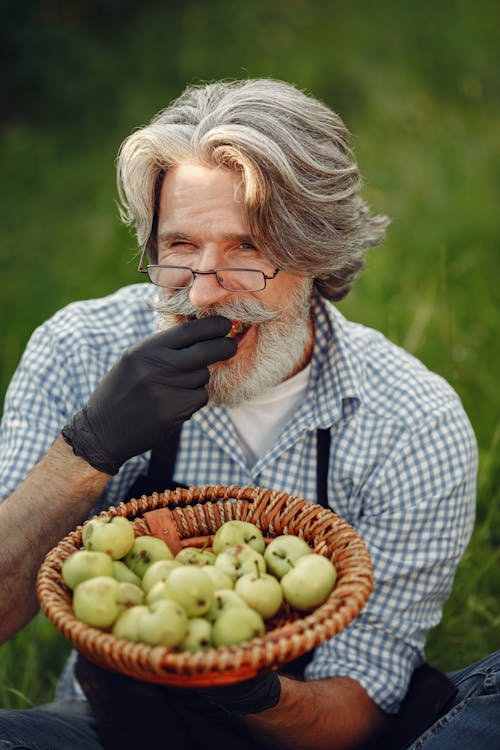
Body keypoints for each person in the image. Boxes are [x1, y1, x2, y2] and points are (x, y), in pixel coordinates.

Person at [0, 78, 497, 750]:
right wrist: (86, 450)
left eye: (248, 248)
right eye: (179, 246)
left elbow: (355, 712)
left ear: (319, 255)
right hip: (106, 729)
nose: (204, 292)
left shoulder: (411, 422)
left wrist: (243, 684)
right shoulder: (79, 349)